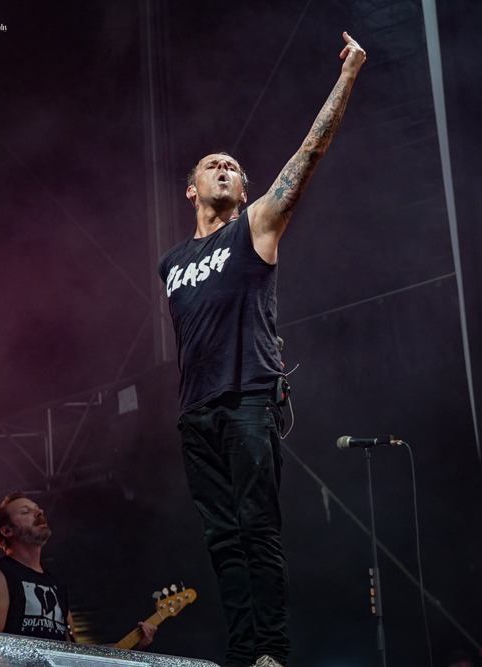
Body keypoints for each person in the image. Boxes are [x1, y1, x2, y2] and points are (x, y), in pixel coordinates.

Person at [158, 32, 367, 667]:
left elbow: (311, 151)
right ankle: (243, 653)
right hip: (195, 412)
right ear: (191, 189)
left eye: (233, 167)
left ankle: (271, 653)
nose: (224, 168)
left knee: (256, 528)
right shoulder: (171, 262)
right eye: (212, 164)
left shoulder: (256, 226)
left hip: (249, 398)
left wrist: (348, 74)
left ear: (245, 192)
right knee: (223, 540)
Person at [0, 492, 155, 648]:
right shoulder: (0, 575)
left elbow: (72, 654)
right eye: (25, 512)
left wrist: (134, 646)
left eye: (37, 509)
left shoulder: (56, 586)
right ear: (7, 531)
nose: (39, 512)